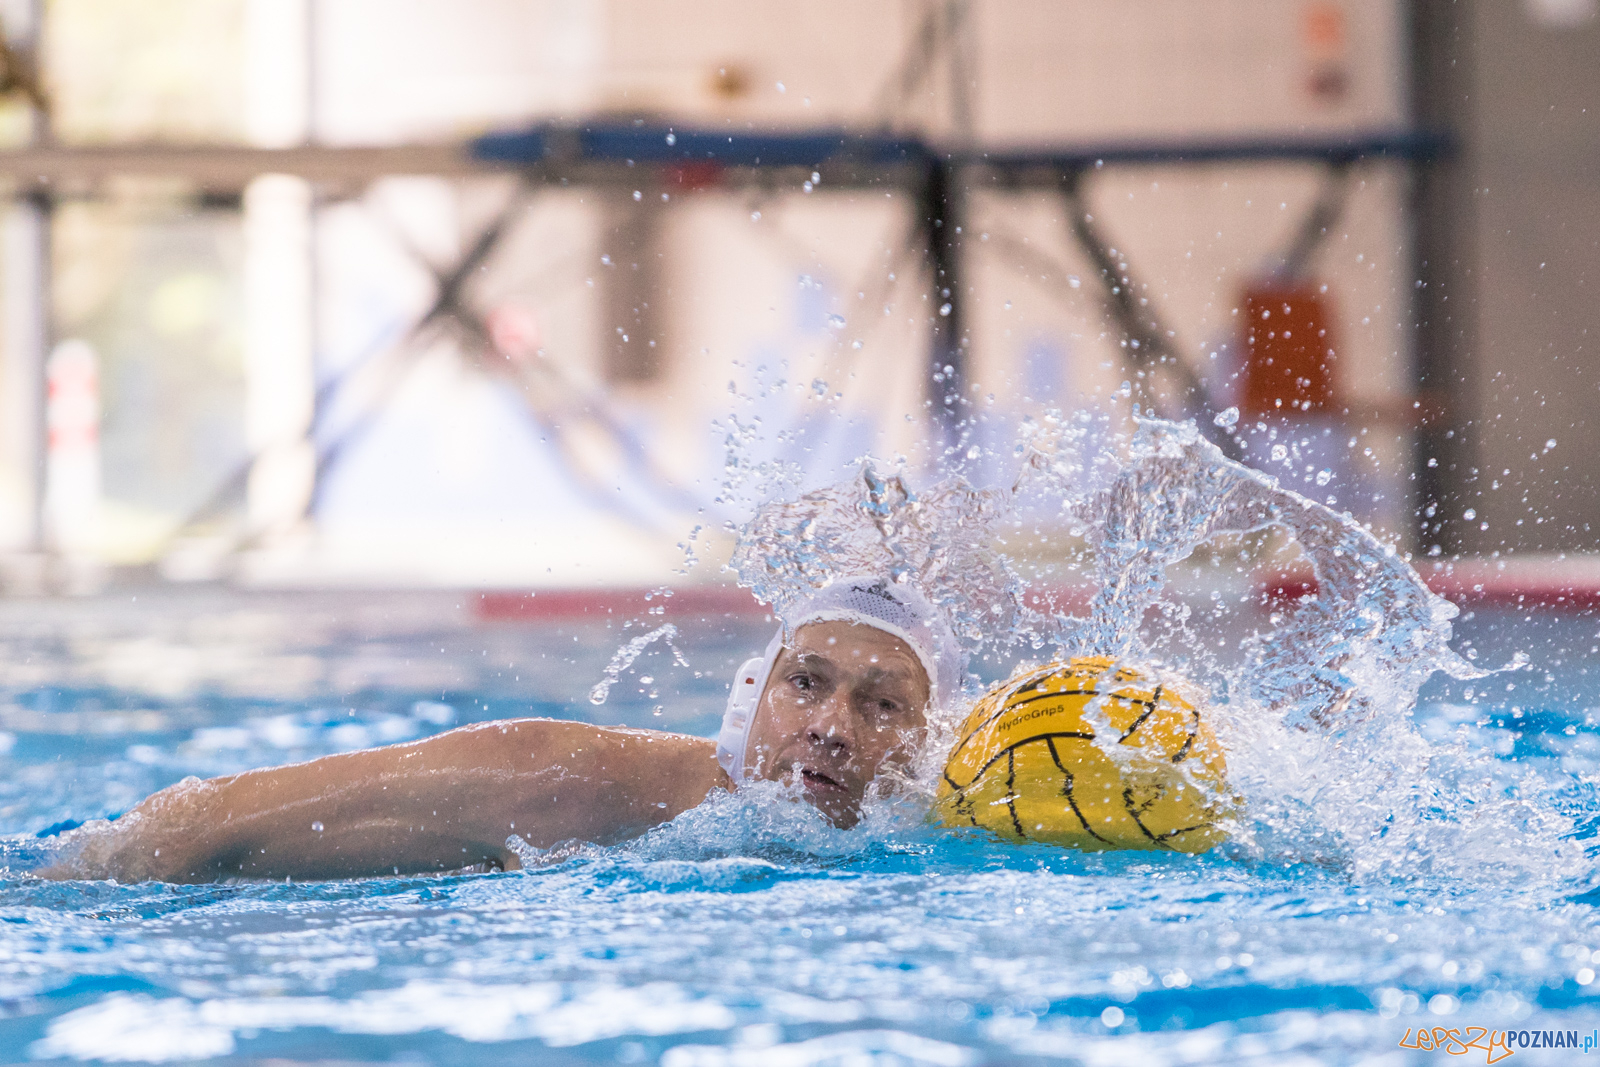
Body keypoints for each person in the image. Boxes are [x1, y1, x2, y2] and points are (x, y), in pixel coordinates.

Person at [42, 576, 963, 884]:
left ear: (931, 743)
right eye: (806, 684)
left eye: (883, 705)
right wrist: (75, 872)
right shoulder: (571, 781)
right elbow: (199, 826)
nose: (833, 728)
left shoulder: (981, 828)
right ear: (752, 695)